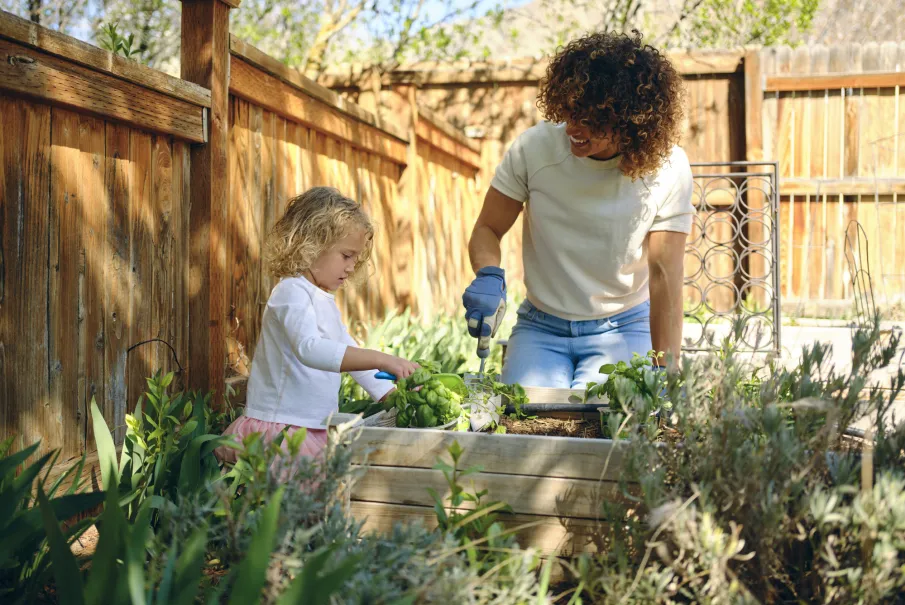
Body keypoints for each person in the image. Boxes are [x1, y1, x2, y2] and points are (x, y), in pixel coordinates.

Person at [463, 30, 694, 390]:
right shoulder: (535, 149)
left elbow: (664, 275)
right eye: (570, 111)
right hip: (541, 325)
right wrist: (489, 274)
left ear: (632, 121)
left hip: (623, 325)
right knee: (526, 418)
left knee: (610, 426)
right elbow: (487, 228)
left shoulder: (668, 170)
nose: (573, 127)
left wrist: (666, 367)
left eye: (591, 119)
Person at [217, 187, 419, 465]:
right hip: (282, 431)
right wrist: (383, 359)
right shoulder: (291, 293)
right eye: (346, 256)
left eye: (356, 259)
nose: (351, 267)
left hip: (311, 430)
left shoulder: (323, 299)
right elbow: (309, 349)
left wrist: (391, 394)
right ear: (310, 245)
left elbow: (345, 349)